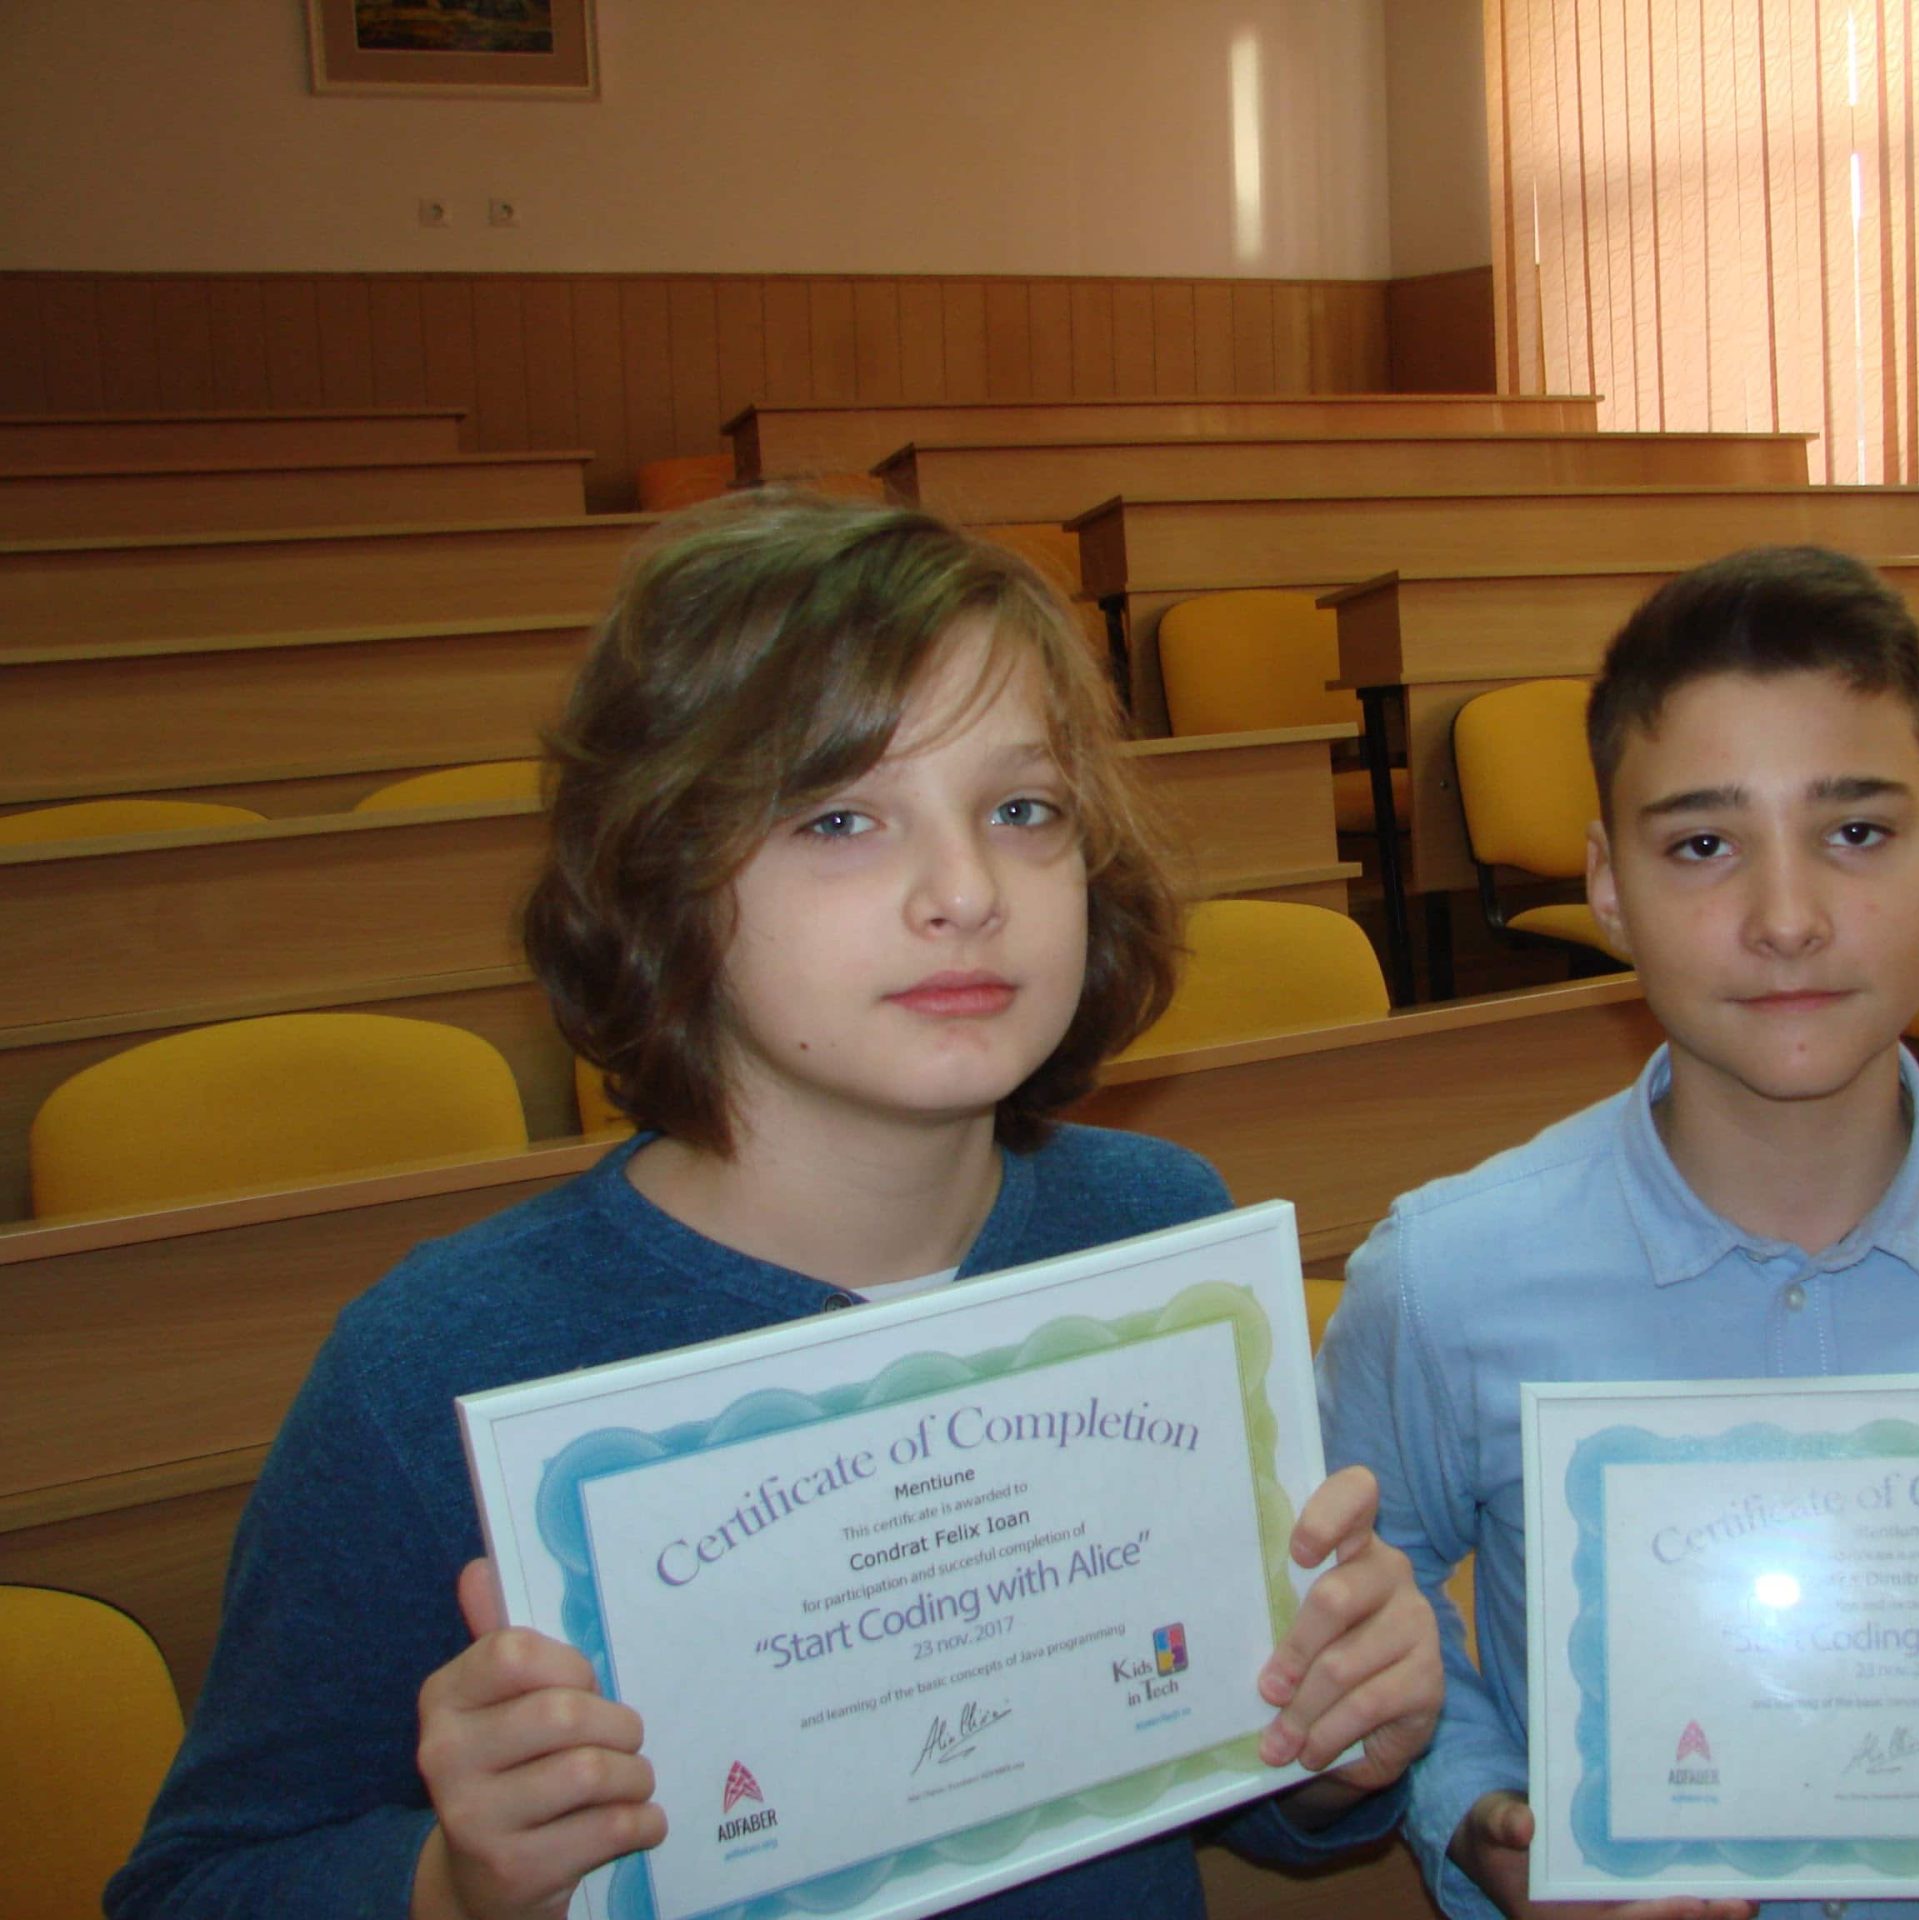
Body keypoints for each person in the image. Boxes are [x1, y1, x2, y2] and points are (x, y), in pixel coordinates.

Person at [108, 494, 1441, 1920]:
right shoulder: (434, 1359)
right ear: (665, 877)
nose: (965, 891)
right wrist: (447, 1883)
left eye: (1023, 810)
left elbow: (1225, 1764)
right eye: (840, 817)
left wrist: (1338, 1736)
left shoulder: (1155, 1232)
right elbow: (199, 1885)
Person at [1316, 546, 1919, 1920]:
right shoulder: (1442, 1280)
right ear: (1607, 884)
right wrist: (1477, 1807)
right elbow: (1382, 1588)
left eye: (1856, 834)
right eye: (1703, 846)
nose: (1786, 920)